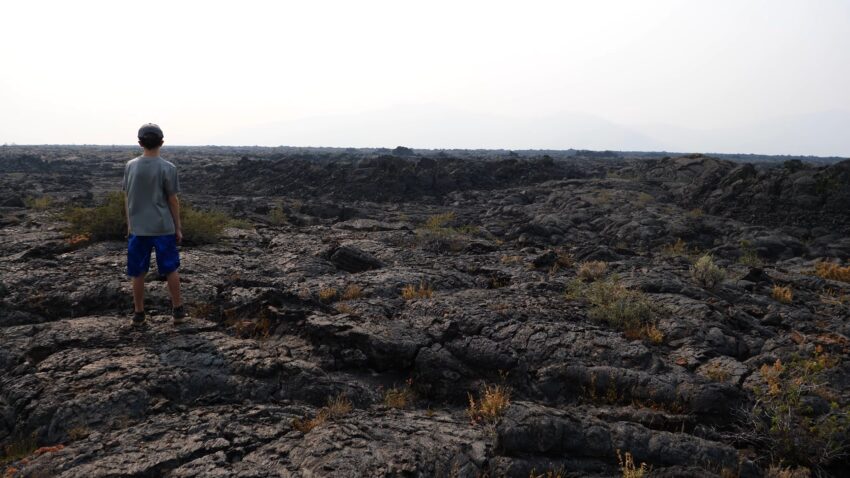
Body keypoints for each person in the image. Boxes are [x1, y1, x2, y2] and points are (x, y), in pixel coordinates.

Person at [122, 123, 186, 326]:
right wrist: (177, 227)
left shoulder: (130, 166)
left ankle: (139, 314)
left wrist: (129, 224)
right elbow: (173, 200)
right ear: (162, 142)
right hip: (162, 227)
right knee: (170, 269)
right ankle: (177, 311)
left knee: (138, 272)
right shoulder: (168, 168)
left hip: (138, 228)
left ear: (140, 142)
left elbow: (127, 196)